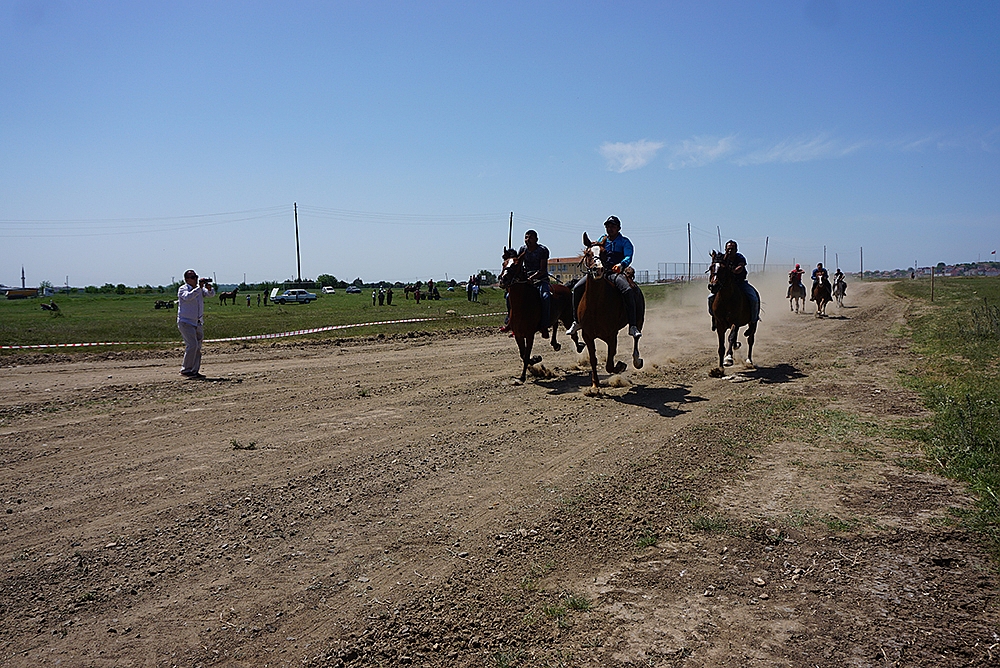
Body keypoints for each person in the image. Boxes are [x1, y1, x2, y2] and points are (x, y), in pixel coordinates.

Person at [566, 216, 641, 339]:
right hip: (599, 271)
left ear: (618, 228)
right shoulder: (602, 239)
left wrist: (621, 265)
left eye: (612, 226)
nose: (610, 229)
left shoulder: (625, 242)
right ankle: (576, 321)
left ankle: (632, 325)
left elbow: (628, 256)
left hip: (615, 273)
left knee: (627, 290)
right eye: (608, 226)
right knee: (577, 288)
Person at [708, 240, 760, 330]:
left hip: (740, 283)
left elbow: (740, 268)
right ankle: (714, 318)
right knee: (710, 298)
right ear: (725, 249)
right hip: (725, 285)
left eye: (732, 249)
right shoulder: (722, 259)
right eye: (728, 249)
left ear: (736, 250)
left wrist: (734, 270)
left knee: (753, 298)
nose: (730, 251)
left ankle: (753, 319)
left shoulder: (740, 257)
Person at [177, 269, 214, 379]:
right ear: (187, 279)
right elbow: (188, 297)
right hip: (186, 321)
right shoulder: (183, 289)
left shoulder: (199, 290)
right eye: (193, 277)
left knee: (197, 347)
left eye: (196, 277)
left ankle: (194, 370)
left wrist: (209, 288)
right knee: (192, 345)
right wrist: (199, 288)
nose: (195, 279)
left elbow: (210, 295)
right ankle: (186, 369)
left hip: (197, 322)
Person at [518, 230, 551, 336]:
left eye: (530, 238)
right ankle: (510, 321)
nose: (528, 240)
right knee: (509, 295)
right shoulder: (522, 249)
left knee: (545, 297)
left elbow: (542, 269)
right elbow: (519, 264)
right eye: (526, 237)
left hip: (541, 280)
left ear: (536, 239)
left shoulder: (542, 250)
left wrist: (531, 278)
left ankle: (545, 325)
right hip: (526, 280)